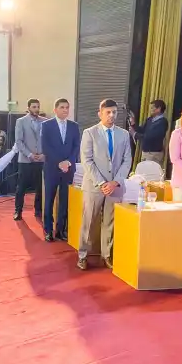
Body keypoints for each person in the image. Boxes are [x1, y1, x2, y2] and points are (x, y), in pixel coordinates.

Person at [77, 99, 132, 271]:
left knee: (110, 221)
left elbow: (127, 159)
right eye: (108, 112)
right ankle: (83, 256)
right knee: (89, 221)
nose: (111, 115)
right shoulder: (90, 133)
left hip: (115, 186)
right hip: (95, 186)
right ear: (99, 113)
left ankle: (106, 255)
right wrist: (102, 182)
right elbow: (87, 160)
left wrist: (116, 181)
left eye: (114, 112)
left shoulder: (123, 134)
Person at [40, 98, 80, 242]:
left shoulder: (74, 126)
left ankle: (61, 230)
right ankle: (48, 230)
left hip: (68, 169)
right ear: (55, 109)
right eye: (62, 107)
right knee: (49, 200)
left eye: (67, 108)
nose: (65, 110)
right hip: (52, 168)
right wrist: (59, 163)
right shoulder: (47, 125)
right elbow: (45, 147)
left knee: (64, 200)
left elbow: (76, 147)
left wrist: (68, 162)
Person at [13, 99, 44, 221]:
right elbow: (18, 141)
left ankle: (38, 210)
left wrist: (43, 154)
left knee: (40, 187)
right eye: (34, 107)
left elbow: (47, 140)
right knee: (21, 187)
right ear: (28, 108)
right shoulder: (21, 122)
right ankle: (18, 211)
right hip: (25, 160)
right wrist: (30, 154)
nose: (36, 109)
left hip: (41, 159)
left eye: (38, 106)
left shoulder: (45, 122)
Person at [129, 99, 169, 164]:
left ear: (158, 109)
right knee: (144, 172)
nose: (150, 110)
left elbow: (150, 137)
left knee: (150, 173)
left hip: (154, 153)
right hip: (145, 152)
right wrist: (133, 124)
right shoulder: (149, 119)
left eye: (152, 108)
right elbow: (142, 130)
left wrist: (135, 134)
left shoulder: (162, 122)